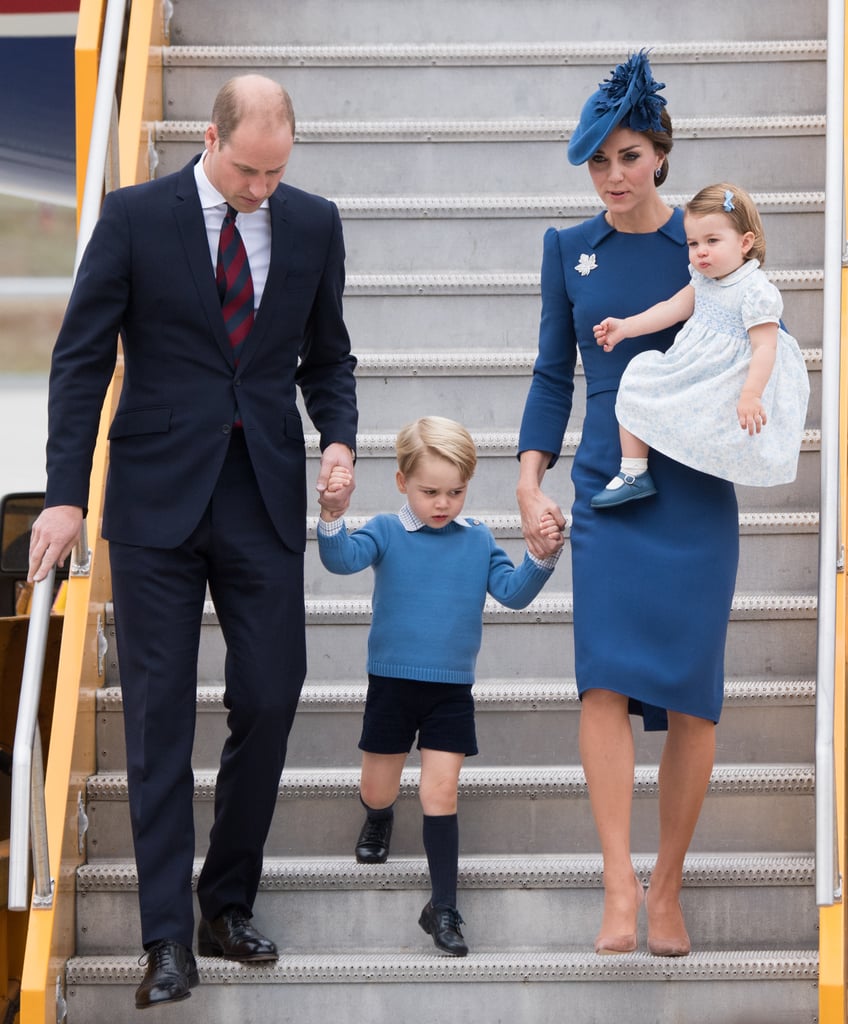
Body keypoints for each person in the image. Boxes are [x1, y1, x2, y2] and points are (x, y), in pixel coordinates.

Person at [27, 74, 358, 1008]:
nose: (263, 188)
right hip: (153, 506)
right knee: (159, 721)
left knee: (270, 691)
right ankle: (166, 936)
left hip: (260, 499)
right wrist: (62, 497)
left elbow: (328, 355)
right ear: (210, 140)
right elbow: (82, 359)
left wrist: (338, 439)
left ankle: (226, 898)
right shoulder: (135, 216)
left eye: (277, 171)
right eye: (250, 170)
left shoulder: (311, 223)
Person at [516, 51, 741, 957]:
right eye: (598, 160)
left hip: (694, 484)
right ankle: (618, 882)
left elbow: (753, 334)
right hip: (609, 485)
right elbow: (549, 374)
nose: (613, 176)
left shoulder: (705, 238)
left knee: (694, 695)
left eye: (630, 156)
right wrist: (530, 480)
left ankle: (668, 888)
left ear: (661, 155)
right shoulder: (567, 249)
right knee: (602, 679)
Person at [316, 416, 562, 956]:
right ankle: (378, 816)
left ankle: (444, 906)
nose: (443, 503)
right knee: (379, 786)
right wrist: (333, 515)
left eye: (455, 491)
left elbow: (513, 594)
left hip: (451, 690)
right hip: (391, 685)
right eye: (430, 491)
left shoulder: (477, 540)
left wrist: (542, 556)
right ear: (403, 482)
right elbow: (340, 560)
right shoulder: (386, 530)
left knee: (440, 791)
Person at [590, 181, 809, 509]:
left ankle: (700, 456)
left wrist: (751, 394)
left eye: (712, 241)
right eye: (693, 243)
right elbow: (671, 308)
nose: (700, 251)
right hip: (696, 368)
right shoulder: (704, 279)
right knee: (639, 374)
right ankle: (634, 472)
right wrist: (626, 327)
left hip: (730, 378)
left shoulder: (755, 291)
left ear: (745, 242)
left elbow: (765, 347)